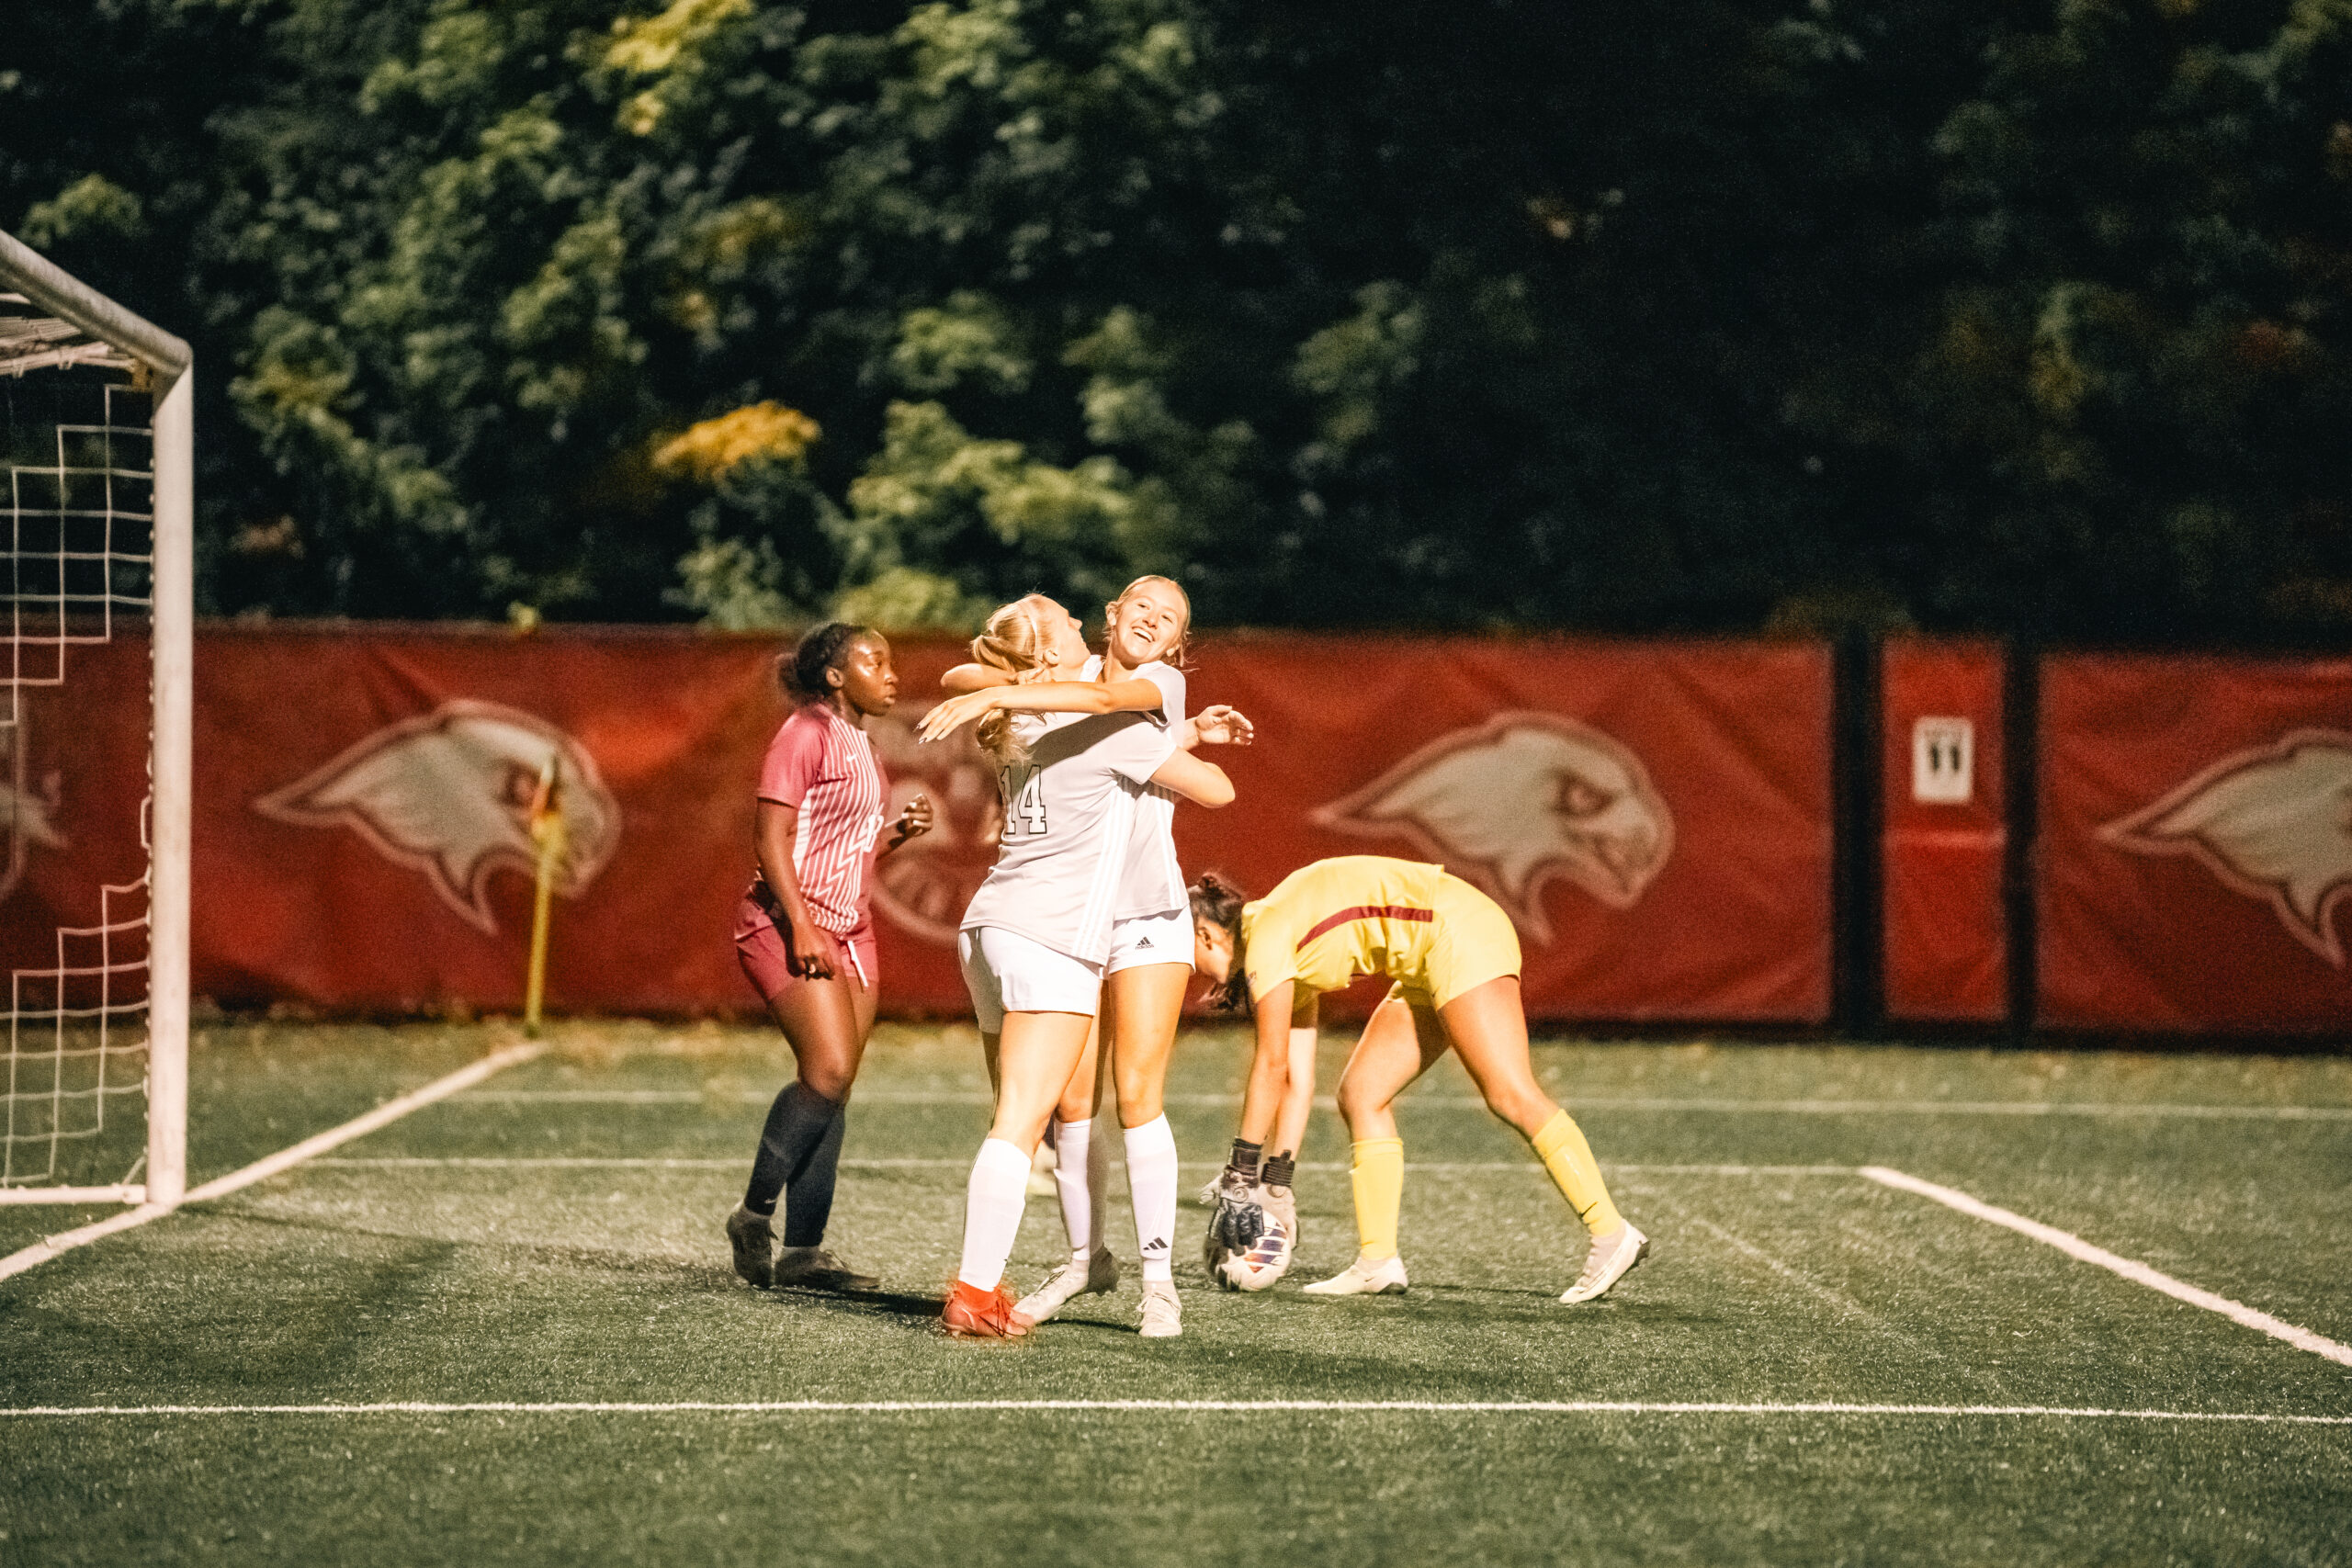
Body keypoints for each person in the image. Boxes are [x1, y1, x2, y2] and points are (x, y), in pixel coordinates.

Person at [922, 576, 1252, 1330]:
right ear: (1111, 615)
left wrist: (1183, 731)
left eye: (1169, 618)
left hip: (1136, 916)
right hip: (1065, 925)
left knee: (1136, 1095)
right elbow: (969, 673)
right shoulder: (1059, 690)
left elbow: (1132, 727)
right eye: (1141, 605)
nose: (1153, 620)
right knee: (1069, 1105)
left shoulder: (1151, 685)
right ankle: (1085, 1261)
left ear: (1176, 645)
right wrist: (1004, 689)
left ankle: (1159, 1281)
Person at [1189, 855, 1648, 1303]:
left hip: (1461, 933)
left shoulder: (1265, 934)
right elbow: (1294, 1077)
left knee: (1510, 1094)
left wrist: (1240, 1174)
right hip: (1432, 954)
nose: (1182, 968)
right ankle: (1378, 1261)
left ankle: (1611, 1232)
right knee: (1362, 1093)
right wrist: (1275, 1182)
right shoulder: (1274, 945)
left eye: (1180, 950)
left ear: (1205, 934)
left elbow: (1270, 1064)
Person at [724, 624, 933, 1292]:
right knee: (827, 1069)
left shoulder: (862, 743)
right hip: (786, 925)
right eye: (876, 660)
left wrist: (894, 835)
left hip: (851, 930)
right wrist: (805, 927)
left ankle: (803, 1252)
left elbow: (846, 848)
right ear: (836, 676)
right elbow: (771, 837)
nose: (891, 672)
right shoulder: (804, 732)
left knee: (835, 1088)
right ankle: (753, 1214)